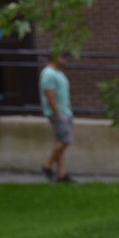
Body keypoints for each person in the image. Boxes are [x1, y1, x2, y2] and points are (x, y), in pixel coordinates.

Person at [39, 51, 74, 183]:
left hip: (65, 112)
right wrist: (57, 113)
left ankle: (61, 174)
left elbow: (63, 92)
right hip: (58, 113)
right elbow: (50, 95)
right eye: (63, 56)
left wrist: (69, 108)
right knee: (65, 140)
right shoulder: (48, 74)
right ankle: (48, 166)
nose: (66, 59)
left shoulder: (58, 72)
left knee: (60, 141)